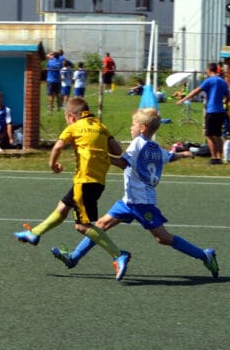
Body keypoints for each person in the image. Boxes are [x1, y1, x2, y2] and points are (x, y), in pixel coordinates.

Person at [51, 108, 219, 281]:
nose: (131, 128)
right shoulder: (154, 147)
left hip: (141, 202)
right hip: (129, 201)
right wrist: (183, 154)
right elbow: (169, 156)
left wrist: (97, 154)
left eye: (133, 125)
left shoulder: (138, 143)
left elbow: (123, 163)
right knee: (100, 225)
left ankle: (205, 256)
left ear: (143, 128)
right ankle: (73, 257)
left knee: (163, 238)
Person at [14, 97, 130, 279]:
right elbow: (117, 151)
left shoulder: (74, 127)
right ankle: (34, 234)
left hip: (84, 181)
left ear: (71, 116)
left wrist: (52, 164)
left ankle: (118, 255)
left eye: (67, 119)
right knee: (62, 208)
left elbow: (58, 146)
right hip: (98, 182)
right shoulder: (101, 126)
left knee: (82, 226)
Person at [175, 63, 229, 165]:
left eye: (206, 70)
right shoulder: (222, 81)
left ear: (209, 70)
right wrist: (224, 103)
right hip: (221, 111)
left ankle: (214, 158)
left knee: (208, 134)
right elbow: (227, 95)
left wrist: (184, 99)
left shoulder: (209, 80)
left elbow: (197, 90)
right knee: (218, 135)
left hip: (211, 110)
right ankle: (219, 157)